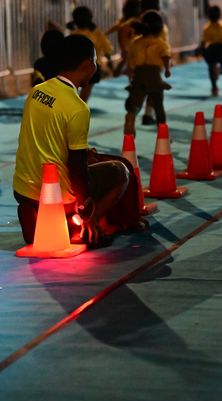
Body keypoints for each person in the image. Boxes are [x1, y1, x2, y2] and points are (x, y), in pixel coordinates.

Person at [13, 35, 135, 248]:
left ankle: (37, 213)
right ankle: (80, 229)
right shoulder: (77, 108)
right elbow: (77, 168)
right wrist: (86, 211)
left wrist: (85, 154)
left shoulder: (36, 92)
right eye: (95, 60)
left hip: (23, 189)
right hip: (57, 195)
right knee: (120, 171)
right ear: (88, 65)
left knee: (87, 161)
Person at [124, 11, 171, 135]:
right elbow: (166, 56)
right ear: (160, 28)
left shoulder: (135, 42)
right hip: (154, 75)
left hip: (138, 74)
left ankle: (130, 120)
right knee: (158, 104)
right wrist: (167, 69)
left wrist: (131, 74)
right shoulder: (161, 43)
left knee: (136, 102)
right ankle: (162, 132)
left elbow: (130, 60)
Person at [67, 6, 114, 102]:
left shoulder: (73, 35)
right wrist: (110, 62)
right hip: (92, 68)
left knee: (72, 89)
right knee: (85, 93)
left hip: (75, 67)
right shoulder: (97, 34)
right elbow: (107, 49)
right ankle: (79, 108)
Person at [198, 4, 222, 96]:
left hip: (211, 50)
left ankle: (214, 87)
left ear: (208, 16)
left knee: (211, 67)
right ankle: (219, 70)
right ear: (220, 15)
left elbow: (203, 43)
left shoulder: (207, 28)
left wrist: (204, 53)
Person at [106, 0, 141, 77]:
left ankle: (118, 73)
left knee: (127, 64)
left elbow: (110, 31)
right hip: (132, 49)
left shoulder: (123, 22)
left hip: (126, 48)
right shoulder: (134, 22)